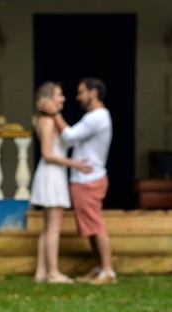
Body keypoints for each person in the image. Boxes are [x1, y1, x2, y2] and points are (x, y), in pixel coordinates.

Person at [38, 77, 115, 285]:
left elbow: (70, 136)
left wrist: (54, 114)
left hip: (90, 178)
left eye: (81, 92)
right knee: (90, 225)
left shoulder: (98, 116)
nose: (77, 97)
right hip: (83, 178)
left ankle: (108, 270)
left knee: (96, 225)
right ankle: (99, 267)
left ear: (94, 92)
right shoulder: (93, 116)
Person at [29, 82, 93, 283]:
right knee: (53, 226)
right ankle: (53, 272)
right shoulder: (47, 122)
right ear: (49, 98)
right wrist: (74, 163)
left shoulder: (47, 120)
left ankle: (41, 272)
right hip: (52, 173)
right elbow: (48, 154)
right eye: (59, 95)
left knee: (48, 226)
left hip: (52, 173)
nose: (63, 98)